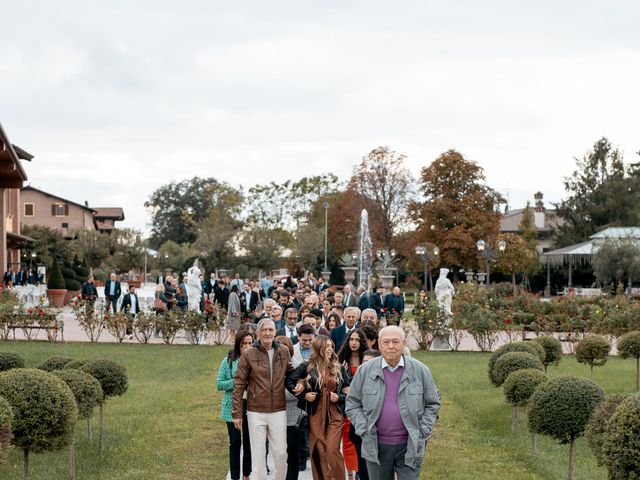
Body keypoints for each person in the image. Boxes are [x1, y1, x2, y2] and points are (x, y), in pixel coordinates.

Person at [346, 326, 441, 480]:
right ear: (379, 344)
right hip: (376, 445)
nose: (391, 346)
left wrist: (423, 431)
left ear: (403, 344)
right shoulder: (365, 371)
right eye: (386, 342)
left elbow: (432, 404)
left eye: (395, 342)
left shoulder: (420, 370)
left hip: (410, 445)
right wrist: (364, 428)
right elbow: (352, 403)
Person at [232, 318, 292, 480]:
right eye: (264, 330)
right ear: (258, 333)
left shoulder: (284, 351)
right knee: (258, 456)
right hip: (255, 411)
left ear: (275, 332)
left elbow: (291, 374)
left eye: (271, 330)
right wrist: (237, 413)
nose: (267, 333)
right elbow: (238, 384)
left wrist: (300, 383)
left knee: (280, 453)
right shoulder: (249, 354)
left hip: (278, 410)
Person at [287, 335, 349, 480]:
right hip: (316, 412)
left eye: (331, 346)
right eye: (326, 346)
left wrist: (339, 397)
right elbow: (289, 380)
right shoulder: (307, 366)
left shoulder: (338, 366)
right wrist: (303, 395)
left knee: (332, 449)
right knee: (320, 450)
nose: (330, 349)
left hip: (335, 412)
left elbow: (348, 388)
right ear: (318, 347)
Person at [217, 329, 255, 480]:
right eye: (243, 344)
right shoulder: (228, 360)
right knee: (235, 443)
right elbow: (219, 384)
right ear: (238, 344)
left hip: (251, 406)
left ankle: (246, 474)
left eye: (250, 343)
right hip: (231, 408)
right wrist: (238, 381)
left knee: (248, 442)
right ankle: (234, 476)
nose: (246, 346)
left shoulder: (256, 359)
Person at [337, 329, 368, 480]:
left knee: (359, 443)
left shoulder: (367, 360)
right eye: (351, 339)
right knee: (347, 442)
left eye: (357, 340)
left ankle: (359, 472)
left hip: (362, 408)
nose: (354, 343)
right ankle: (349, 474)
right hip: (345, 408)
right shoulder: (341, 360)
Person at [277, 335, 304, 480]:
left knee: (293, 452)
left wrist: (275, 391)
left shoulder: (298, 366)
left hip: (293, 416)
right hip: (275, 415)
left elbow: (296, 393)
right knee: (279, 453)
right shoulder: (270, 364)